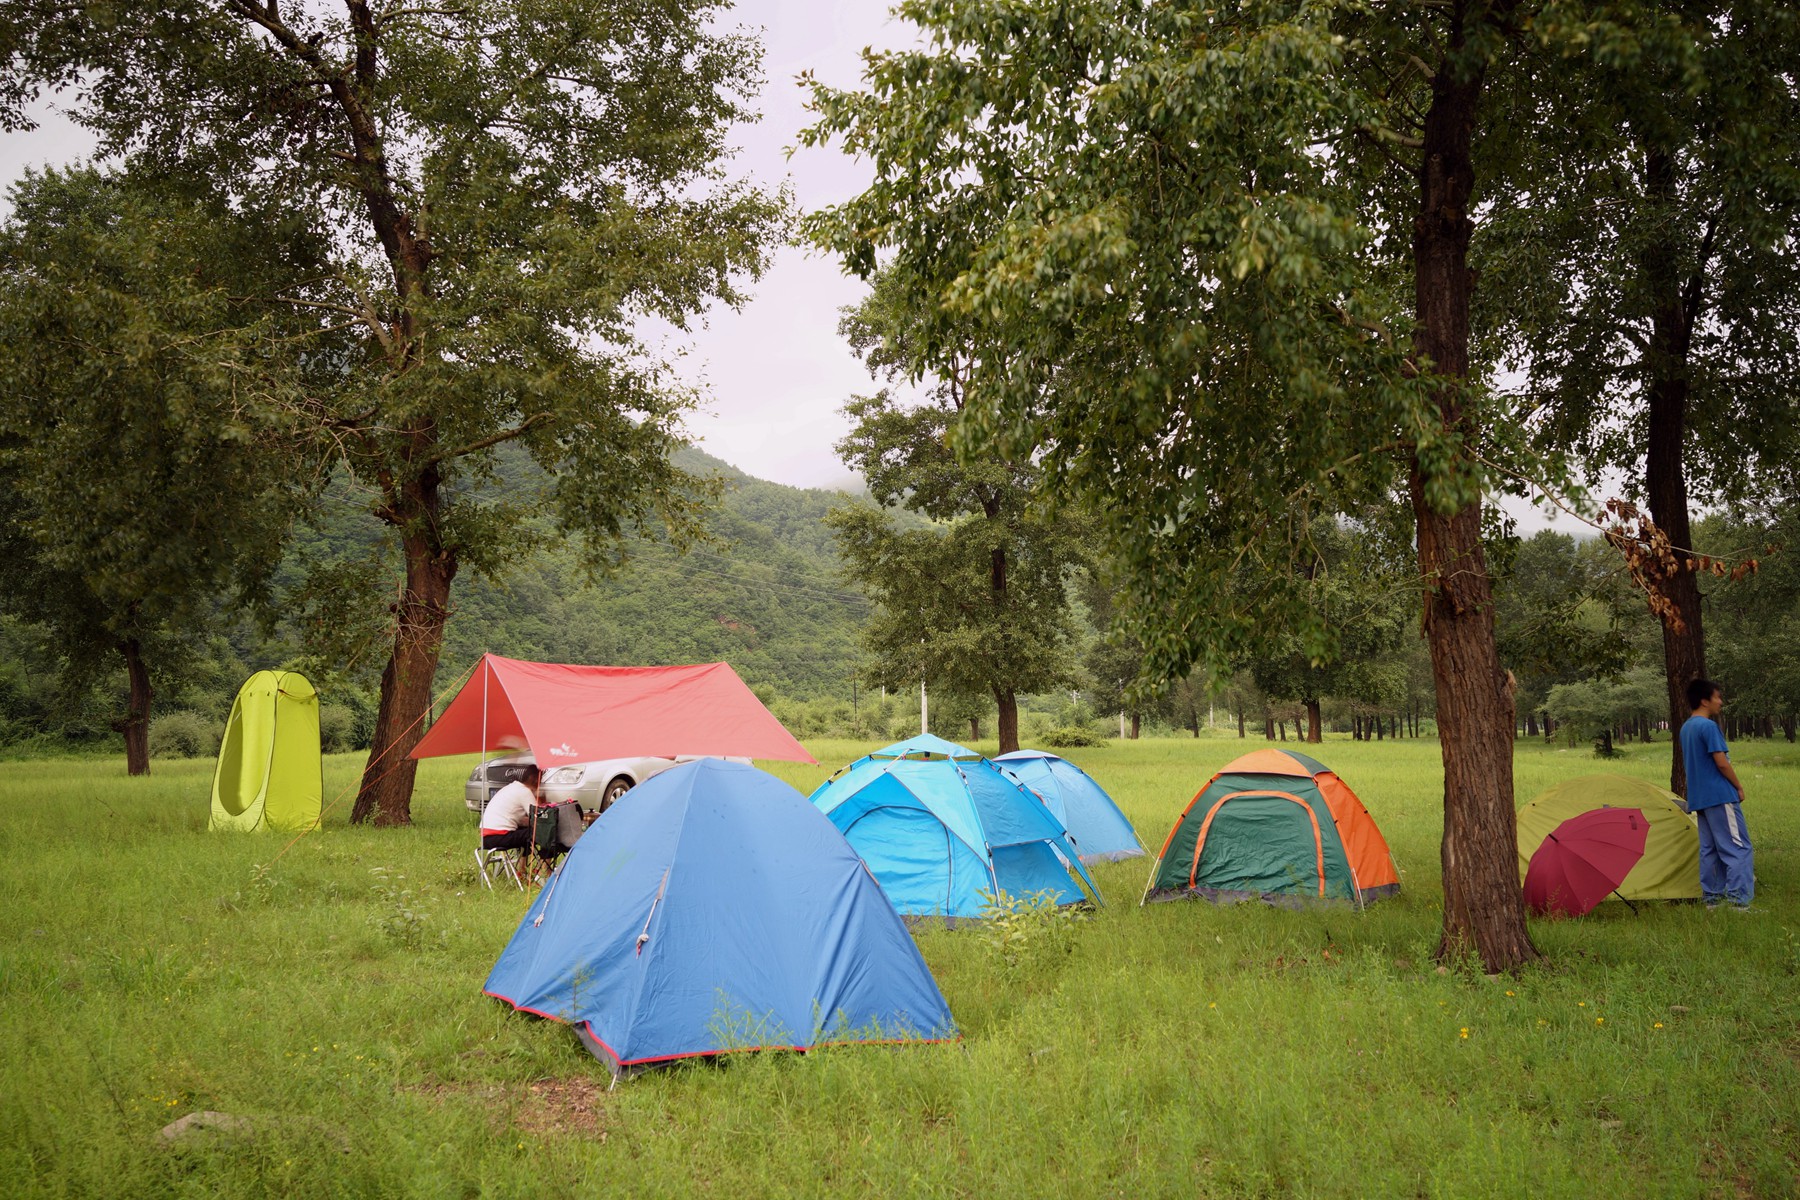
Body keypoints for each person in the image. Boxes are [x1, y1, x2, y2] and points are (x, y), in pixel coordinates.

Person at [1680, 678, 1755, 910]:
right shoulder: (1708, 726)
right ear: (1705, 700)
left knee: (1709, 849)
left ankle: (1712, 901)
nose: (1720, 702)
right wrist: (1739, 786)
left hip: (1700, 798)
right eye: (1717, 697)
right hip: (1720, 796)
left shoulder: (1686, 728)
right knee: (1738, 847)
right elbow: (1721, 762)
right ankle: (1739, 903)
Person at [479, 764, 548, 858]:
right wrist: (541, 798)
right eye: (540, 781)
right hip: (501, 836)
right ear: (535, 780)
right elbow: (538, 817)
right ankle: (546, 866)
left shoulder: (510, 788)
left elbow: (519, 819)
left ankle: (522, 867)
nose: (540, 784)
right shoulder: (524, 791)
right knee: (544, 831)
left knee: (525, 831)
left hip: (486, 838)